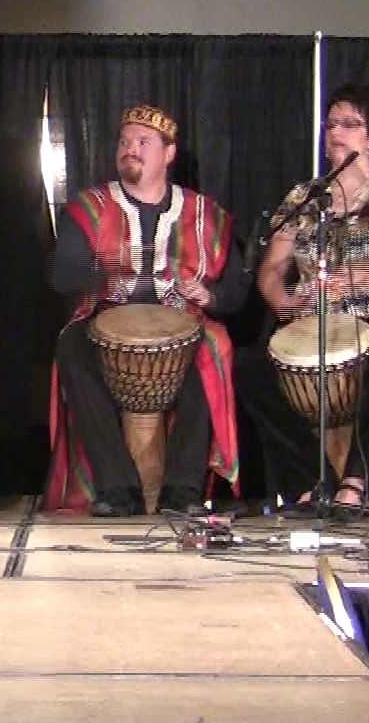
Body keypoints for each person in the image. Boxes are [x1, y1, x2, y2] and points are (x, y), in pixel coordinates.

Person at [46, 105, 249, 517]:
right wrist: (108, 267)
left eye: (143, 142)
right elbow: (61, 275)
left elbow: (236, 293)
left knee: (214, 346)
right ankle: (115, 487)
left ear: (169, 153)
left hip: (184, 322)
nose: (130, 149)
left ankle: (184, 488)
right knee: (72, 346)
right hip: (104, 320)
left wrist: (209, 297)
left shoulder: (206, 214)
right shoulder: (89, 207)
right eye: (124, 141)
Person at [240, 83, 369, 515]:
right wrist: (286, 303)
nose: (336, 133)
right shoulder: (304, 198)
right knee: (249, 366)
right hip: (314, 330)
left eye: (349, 124)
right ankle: (309, 483)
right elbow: (270, 271)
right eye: (330, 125)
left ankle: (366, 483)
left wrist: (353, 280)